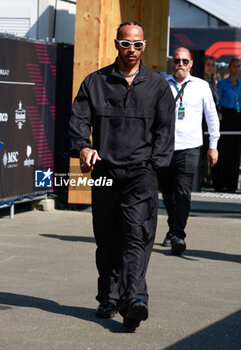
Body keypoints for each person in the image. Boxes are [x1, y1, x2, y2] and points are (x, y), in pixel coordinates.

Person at [69, 21, 175, 330]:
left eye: (138, 44)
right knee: (107, 237)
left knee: (135, 235)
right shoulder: (95, 82)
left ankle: (135, 300)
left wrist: (153, 165)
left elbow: (165, 130)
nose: (132, 50)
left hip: (140, 173)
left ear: (145, 46)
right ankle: (109, 297)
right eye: (126, 44)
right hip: (105, 172)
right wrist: (83, 148)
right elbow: (78, 122)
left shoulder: (157, 85)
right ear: (117, 44)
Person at [158, 47, 220, 254]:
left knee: (183, 192)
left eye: (185, 61)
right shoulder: (162, 85)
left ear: (191, 63)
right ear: (172, 62)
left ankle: (178, 235)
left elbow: (211, 118)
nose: (181, 65)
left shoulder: (202, 86)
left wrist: (213, 146)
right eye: (177, 61)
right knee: (167, 193)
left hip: (191, 146)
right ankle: (172, 227)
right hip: (165, 147)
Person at [212, 58, 241, 192]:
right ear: (229, 68)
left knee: (235, 152)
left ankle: (232, 184)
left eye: (239, 66)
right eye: (234, 66)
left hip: (238, 117)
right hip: (225, 116)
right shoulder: (223, 84)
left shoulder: (240, 84)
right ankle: (221, 183)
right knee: (223, 150)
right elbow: (218, 100)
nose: (237, 68)